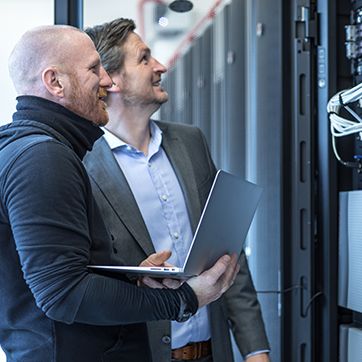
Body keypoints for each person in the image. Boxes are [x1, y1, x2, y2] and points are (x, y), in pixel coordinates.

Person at [0, 25, 240, 362]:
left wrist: (135, 283)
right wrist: (184, 299)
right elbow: (63, 294)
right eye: (93, 69)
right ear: (55, 82)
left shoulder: (27, 149)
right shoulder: (42, 157)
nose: (107, 81)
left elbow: (61, 273)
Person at [84, 18, 270, 362]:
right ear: (112, 80)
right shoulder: (84, 163)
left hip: (211, 351)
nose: (160, 66)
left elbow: (228, 253)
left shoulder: (189, 141)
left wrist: (256, 349)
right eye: (144, 59)